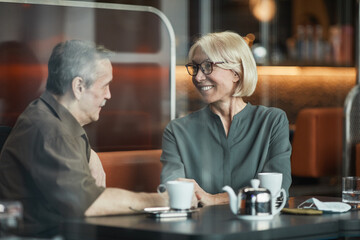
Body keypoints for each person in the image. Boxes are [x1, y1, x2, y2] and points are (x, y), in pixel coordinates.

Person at [0, 40, 167, 237]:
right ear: (78, 86)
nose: (109, 95)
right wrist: (162, 201)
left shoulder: (52, 117)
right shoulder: (51, 130)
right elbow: (89, 204)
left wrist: (90, 152)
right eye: (105, 85)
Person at [160, 31, 292, 206]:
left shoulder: (272, 121)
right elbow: (172, 193)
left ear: (236, 72)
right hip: (200, 230)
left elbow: (277, 192)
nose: (198, 77)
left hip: (257, 227)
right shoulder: (177, 130)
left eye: (208, 66)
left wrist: (213, 199)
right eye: (195, 67)